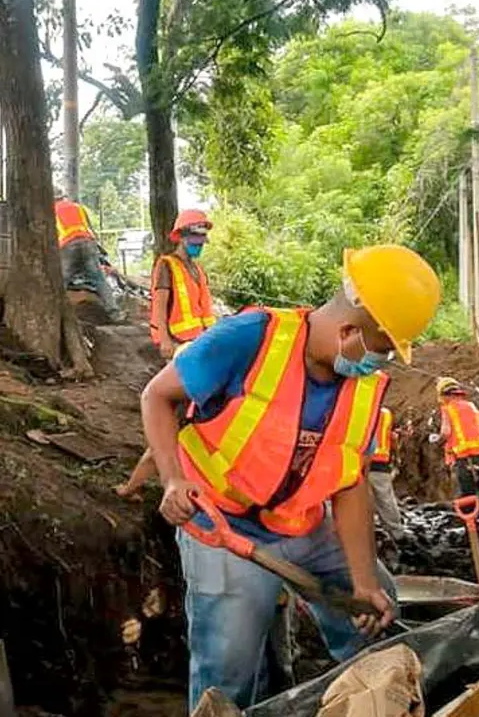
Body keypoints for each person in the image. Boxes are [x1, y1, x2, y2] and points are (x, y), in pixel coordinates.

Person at [141, 244, 441, 710]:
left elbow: (349, 481)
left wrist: (362, 579)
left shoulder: (363, 387)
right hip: (221, 522)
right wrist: (174, 481)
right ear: (349, 331)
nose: (377, 365)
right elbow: (157, 396)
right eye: (380, 352)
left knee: (380, 611)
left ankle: (362, 700)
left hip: (303, 523)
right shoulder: (250, 338)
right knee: (228, 668)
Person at [113, 209, 218, 500]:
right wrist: (163, 340)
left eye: (203, 237)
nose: (200, 242)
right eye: (196, 236)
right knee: (174, 420)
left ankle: (134, 487)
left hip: (201, 350)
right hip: (182, 351)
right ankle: (134, 487)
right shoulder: (166, 266)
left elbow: (205, 313)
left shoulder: (198, 271)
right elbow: (158, 305)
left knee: (181, 421)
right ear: (181, 236)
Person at [435, 377, 479, 534]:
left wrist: (438, 441)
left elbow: (445, 432)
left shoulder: (448, 409)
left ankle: (471, 528)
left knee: (468, 493)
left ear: (445, 395)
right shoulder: (472, 407)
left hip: (464, 457)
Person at [55, 189, 124, 322]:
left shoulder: (51, 210)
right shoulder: (78, 207)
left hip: (68, 245)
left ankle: (56, 314)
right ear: (63, 197)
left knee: (62, 280)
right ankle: (115, 313)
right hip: (88, 242)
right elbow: (90, 228)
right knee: (99, 279)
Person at [367, 406, 405, 541]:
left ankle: (363, 536)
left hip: (358, 462)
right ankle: (397, 533)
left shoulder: (358, 409)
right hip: (381, 463)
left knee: (356, 501)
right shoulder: (386, 414)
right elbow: (393, 437)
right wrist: (396, 456)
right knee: (386, 500)